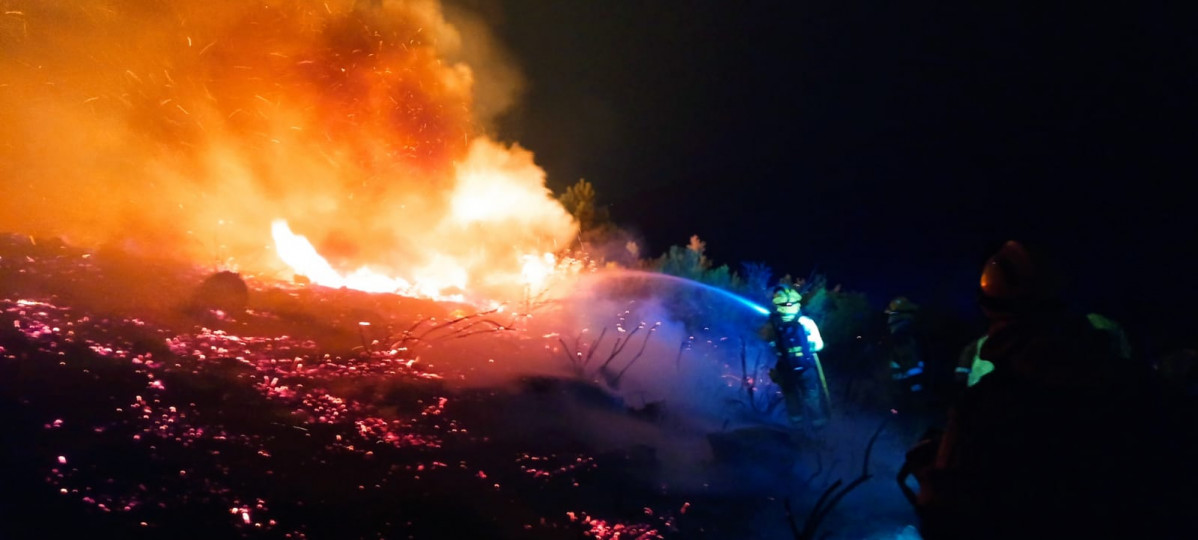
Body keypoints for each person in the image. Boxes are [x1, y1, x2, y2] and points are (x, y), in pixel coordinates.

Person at [902, 241, 1183, 539]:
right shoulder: (1135, 387)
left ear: (988, 307)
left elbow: (951, 518)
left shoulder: (989, 406)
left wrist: (933, 475)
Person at [762, 284, 828, 428]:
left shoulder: (774, 323)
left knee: (791, 398)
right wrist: (807, 348)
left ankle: (797, 429)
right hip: (806, 368)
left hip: (785, 368)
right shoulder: (806, 322)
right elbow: (819, 346)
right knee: (812, 397)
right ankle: (820, 431)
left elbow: (768, 342)